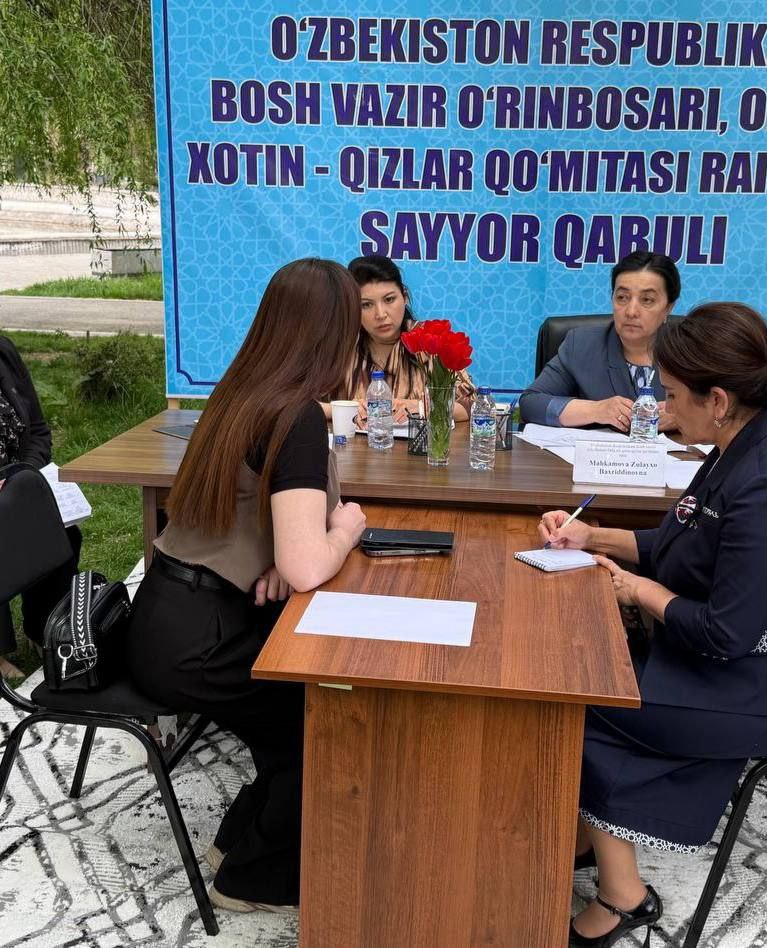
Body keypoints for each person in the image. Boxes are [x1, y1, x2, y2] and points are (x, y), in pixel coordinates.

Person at [537, 303, 767, 947]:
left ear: (719, 401)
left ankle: (624, 897)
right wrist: (594, 537)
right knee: (580, 671)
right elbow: (683, 545)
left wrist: (638, 590)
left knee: (578, 700)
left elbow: (727, 634)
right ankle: (595, 841)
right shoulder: (737, 448)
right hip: (727, 659)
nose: (663, 408)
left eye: (673, 395)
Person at [126, 258, 367, 913]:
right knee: (325, 718)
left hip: (165, 617)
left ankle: (235, 843)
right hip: (202, 642)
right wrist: (344, 528)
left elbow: (254, 521)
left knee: (294, 717)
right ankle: (251, 881)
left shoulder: (240, 393)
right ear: (334, 335)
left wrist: (285, 550)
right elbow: (308, 568)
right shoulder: (298, 416)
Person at [519, 251, 680, 432]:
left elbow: (709, 411)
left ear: (669, 307)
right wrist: (596, 410)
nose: (631, 311)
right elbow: (531, 404)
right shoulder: (581, 345)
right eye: (622, 297)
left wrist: (683, 417)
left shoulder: (689, 350)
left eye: (647, 300)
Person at [0, 335, 81, 645]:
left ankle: (44, 631)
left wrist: (21, 474)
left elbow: (38, 431)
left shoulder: (4, 351)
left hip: (16, 483)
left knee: (66, 533)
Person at [341, 254, 475, 426]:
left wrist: (420, 407)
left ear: (404, 297)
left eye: (389, 299)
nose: (380, 314)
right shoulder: (341, 345)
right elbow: (310, 405)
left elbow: (470, 406)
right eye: (366, 304)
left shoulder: (431, 340)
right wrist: (351, 409)